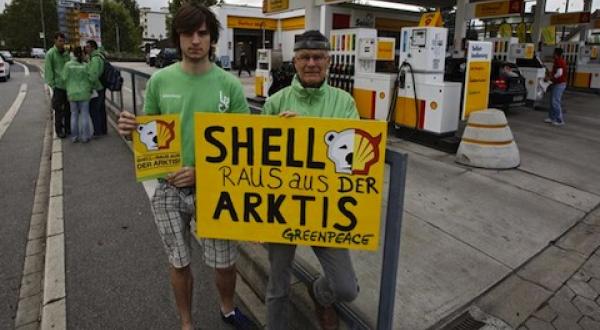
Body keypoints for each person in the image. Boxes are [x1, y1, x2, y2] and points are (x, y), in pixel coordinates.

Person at [117, 4, 255, 330]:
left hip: (217, 187)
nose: (195, 40)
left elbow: (243, 146)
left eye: (202, 33)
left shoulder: (230, 86)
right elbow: (149, 131)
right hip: (167, 187)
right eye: (187, 33)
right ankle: (186, 322)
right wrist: (131, 128)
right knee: (178, 262)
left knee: (224, 262)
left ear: (212, 38)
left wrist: (203, 172)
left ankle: (227, 308)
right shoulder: (160, 81)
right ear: (177, 38)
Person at [262, 30, 360, 330]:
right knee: (277, 286)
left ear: (329, 61)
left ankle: (319, 294)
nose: (312, 63)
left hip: (325, 208)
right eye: (305, 57)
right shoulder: (276, 103)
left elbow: (353, 161)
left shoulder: (345, 103)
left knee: (345, 287)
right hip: (282, 207)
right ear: (295, 61)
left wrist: (308, 131)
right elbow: (258, 163)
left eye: (318, 57)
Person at [62, 46, 93, 143]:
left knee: (74, 115)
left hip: (72, 93)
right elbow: (90, 78)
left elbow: (64, 78)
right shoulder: (85, 65)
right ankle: (85, 137)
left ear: (73, 54)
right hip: (84, 93)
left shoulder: (67, 65)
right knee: (84, 115)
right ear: (82, 54)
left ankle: (74, 136)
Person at [45, 32, 71, 138]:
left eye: (63, 41)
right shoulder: (51, 53)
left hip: (68, 86)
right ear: (55, 41)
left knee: (68, 109)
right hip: (58, 86)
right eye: (60, 41)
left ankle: (68, 128)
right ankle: (59, 130)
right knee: (58, 109)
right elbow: (48, 70)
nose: (62, 43)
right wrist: (53, 84)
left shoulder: (66, 53)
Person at [85, 40, 107, 136]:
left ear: (93, 47)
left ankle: (97, 131)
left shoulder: (95, 59)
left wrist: (89, 86)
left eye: (88, 47)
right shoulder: (100, 56)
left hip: (96, 87)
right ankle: (103, 129)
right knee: (101, 109)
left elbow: (93, 75)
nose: (86, 48)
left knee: (94, 110)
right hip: (101, 86)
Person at [544, 47, 567, 126]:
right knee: (552, 101)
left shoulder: (558, 61)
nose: (552, 54)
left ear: (556, 54)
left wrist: (550, 78)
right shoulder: (559, 60)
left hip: (559, 84)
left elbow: (559, 73)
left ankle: (560, 120)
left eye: (553, 52)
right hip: (557, 83)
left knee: (555, 102)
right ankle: (551, 118)